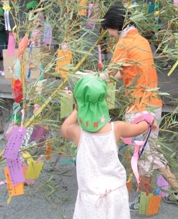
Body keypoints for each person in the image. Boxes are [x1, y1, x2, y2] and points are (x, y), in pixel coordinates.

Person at [99, 5, 178, 210]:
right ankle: (172, 194)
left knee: (144, 155)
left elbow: (110, 75)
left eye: (108, 30)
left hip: (138, 107)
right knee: (149, 153)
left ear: (114, 26)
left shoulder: (123, 43)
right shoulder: (141, 40)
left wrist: (88, 79)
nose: (109, 34)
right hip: (152, 104)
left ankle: (156, 196)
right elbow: (129, 72)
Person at [61, 75, 155, 218]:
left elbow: (64, 127)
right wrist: (149, 119)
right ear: (105, 101)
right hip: (115, 193)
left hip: (90, 198)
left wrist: (77, 110)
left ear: (78, 105)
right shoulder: (116, 128)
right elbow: (140, 128)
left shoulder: (77, 132)